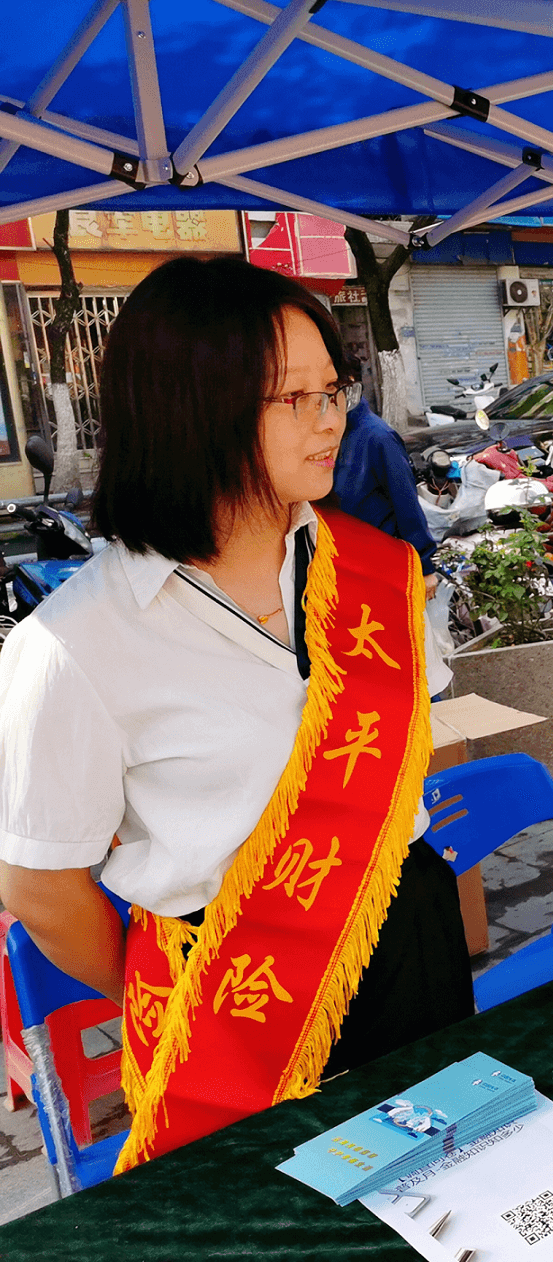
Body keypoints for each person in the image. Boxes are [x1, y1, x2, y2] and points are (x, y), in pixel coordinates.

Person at [0, 256, 472, 1173]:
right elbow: (40, 887)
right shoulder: (76, 645)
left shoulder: (372, 570)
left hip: (406, 926)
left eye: (333, 389)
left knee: (446, 1183)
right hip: (235, 985)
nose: (332, 419)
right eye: (291, 398)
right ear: (188, 409)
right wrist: (190, 978)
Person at [332, 377, 439, 588]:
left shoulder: (378, 437)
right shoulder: (334, 433)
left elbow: (406, 503)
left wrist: (424, 566)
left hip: (382, 565)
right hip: (345, 562)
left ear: (349, 386)